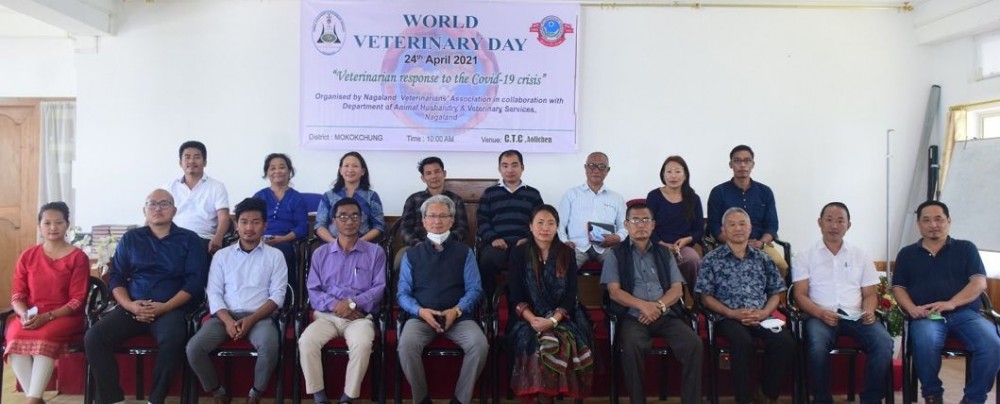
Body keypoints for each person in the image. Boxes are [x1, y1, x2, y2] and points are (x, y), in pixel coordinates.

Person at [85, 189, 208, 404]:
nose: (158, 209)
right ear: (144, 209)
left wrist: (164, 307)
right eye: (152, 204)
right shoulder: (131, 239)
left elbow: (195, 283)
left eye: (164, 204)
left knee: (173, 339)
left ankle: (156, 399)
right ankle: (113, 399)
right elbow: (117, 278)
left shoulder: (190, 240)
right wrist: (130, 305)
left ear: (174, 210)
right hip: (132, 307)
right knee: (94, 337)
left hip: (171, 309)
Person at [892, 200, 1000, 404]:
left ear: (948, 221)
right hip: (926, 315)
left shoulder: (966, 248)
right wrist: (911, 308)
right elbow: (899, 288)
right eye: (926, 220)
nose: (933, 224)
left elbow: (978, 283)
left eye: (938, 219)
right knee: (925, 342)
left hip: (964, 314)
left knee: (992, 344)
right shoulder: (907, 254)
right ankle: (933, 395)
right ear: (918, 224)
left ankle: (973, 399)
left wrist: (952, 303)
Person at [186, 197, 287, 404]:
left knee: (269, 346)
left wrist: (250, 320)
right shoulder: (222, 256)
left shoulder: (275, 256)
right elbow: (213, 294)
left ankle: (255, 394)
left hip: (260, 317)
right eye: (244, 221)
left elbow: (277, 296)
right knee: (193, 349)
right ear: (236, 225)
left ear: (264, 225)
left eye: (256, 222)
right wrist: (228, 321)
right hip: (225, 317)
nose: (249, 227)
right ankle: (217, 392)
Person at [601, 202, 703, 404]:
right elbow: (614, 292)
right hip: (632, 317)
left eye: (645, 220)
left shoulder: (664, 253)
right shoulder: (615, 254)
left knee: (694, 344)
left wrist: (658, 307)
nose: (641, 225)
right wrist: (643, 306)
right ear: (626, 225)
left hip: (665, 314)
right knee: (632, 345)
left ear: (653, 225)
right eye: (635, 220)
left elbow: (677, 289)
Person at [792, 202, 892, 404]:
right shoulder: (805, 255)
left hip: (856, 315)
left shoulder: (860, 254)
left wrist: (869, 311)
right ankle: (822, 400)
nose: (834, 226)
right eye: (829, 220)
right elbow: (800, 295)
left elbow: (870, 294)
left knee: (883, 343)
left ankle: (871, 399)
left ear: (849, 225)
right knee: (817, 347)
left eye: (840, 221)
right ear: (820, 223)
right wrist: (820, 313)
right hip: (820, 316)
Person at [695, 207, 794, 404]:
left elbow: (776, 292)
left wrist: (765, 312)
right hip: (728, 317)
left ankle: (766, 394)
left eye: (742, 224)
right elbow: (705, 298)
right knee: (742, 342)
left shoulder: (763, 258)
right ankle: (744, 398)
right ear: (723, 229)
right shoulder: (711, 259)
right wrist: (731, 313)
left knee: (785, 342)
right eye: (732, 224)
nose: (738, 228)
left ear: (750, 229)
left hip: (762, 315)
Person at [398, 195, 488, 404]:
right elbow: (402, 294)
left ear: (452, 220)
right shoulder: (411, 255)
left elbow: (475, 289)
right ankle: (421, 399)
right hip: (421, 317)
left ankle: (460, 399)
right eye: (432, 216)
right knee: (406, 345)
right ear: (424, 221)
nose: (437, 221)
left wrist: (456, 310)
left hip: (458, 317)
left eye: (443, 216)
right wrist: (420, 311)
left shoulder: (465, 253)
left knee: (479, 345)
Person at [299, 197, 386, 404]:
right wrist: (335, 305)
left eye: (355, 215)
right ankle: (319, 397)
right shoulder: (320, 253)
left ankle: (347, 397)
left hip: (359, 318)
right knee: (306, 341)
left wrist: (352, 304)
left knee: (363, 344)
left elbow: (379, 288)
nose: (349, 220)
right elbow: (313, 290)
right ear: (334, 221)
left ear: (361, 220)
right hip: (326, 317)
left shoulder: (375, 252)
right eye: (343, 216)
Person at [507, 205, 595, 403]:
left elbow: (570, 294)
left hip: (562, 316)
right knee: (536, 347)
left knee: (561, 343)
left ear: (557, 227)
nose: (545, 228)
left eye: (550, 223)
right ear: (530, 226)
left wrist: (553, 321)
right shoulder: (519, 253)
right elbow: (515, 294)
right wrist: (534, 320)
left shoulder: (566, 253)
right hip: (528, 318)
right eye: (540, 222)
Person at [5, 202, 89, 404]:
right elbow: (17, 295)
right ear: (39, 226)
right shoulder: (27, 256)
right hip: (32, 314)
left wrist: (48, 317)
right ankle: (35, 398)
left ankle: (32, 401)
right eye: (47, 223)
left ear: (67, 224)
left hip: (64, 316)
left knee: (45, 337)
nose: (53, 227)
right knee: (14, 336)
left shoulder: (78, 258)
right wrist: (24, 313)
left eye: (59, 222)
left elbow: (78, 300)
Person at [706, 145, 788, 274]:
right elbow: (714, 226)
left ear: (753, 164)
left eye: (747, 161)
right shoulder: (718, 192)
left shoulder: (765, 192)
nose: (742, 165)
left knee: (780, 264)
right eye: (738, 161)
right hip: (729, 245)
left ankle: (774, 294)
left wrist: (761, 243)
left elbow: (772, 225)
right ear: (730, 164)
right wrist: (734, 242)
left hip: (759, 245)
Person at [477, 149, 544, 297]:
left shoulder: (533, 194)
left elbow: (540, 222)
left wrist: (528, 238)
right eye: (505, 165)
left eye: (514, 165)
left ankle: (522, 305)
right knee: (487, 260)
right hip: (496, 243)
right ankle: (489, 304)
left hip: (524, 242)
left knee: (527, 260)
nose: (510, 170)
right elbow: (482, 221)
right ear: (499, 169)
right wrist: (493, 238)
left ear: (522, 167)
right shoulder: (490, 193)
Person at [395, 156, 469, 270]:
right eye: (428, 173)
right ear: (423, 178)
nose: (434, 176)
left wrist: (445, 244)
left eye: (437, 171)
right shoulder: (413, 199)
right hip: (417, 246)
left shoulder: (456, 200)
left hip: (449, 246)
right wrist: (420, 245)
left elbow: (462, 228)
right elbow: (405, 229)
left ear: (444, 173)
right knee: (401, 260)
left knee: (466, 258)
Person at [556, 151, 627, 267]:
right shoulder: (571, 195)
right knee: (563, 269)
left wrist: (618, 237)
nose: (596, 170)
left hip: (606, 247)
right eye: (592, 165)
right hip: (576, 246)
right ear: (585, 168)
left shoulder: (617, 198)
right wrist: (565, 242)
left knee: (621, 268)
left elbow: (624, 226)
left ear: (607, 170)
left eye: (601, 166)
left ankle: (614, 286)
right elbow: (560, 223)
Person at [252, 153, 308, 294]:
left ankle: (284, 303)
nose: (277, 171)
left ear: (289, 171)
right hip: (258, 241)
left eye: (282, 167)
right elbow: (249, 220)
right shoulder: (259, 196)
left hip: (285, 243)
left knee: (281, 253)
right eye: (272, 168)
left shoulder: (296, 198)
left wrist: (282, 239)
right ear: (267, 173)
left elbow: (302, 227)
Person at [646, 155, 704, 286]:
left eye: (678, 171)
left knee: (693, 260)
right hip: (656, 246)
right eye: (669, 172)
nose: (673, 176)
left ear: (685, 175)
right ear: (663, 175)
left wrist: (687, 240)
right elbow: (648, 227)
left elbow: (699, 230)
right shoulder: (654, 196)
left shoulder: (693, 198)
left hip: (682, 248)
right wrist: (662, 244)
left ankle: (699, 301)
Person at [165, 140, 230, 254]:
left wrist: (218, 238)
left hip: (203, 240)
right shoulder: (169, 188)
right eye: (187, 157)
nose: (191, 161)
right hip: (173, 240)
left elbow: (224, 217)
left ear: (205, 162)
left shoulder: (217, 187)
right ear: (180, 162)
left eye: (196, 157)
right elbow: (157, 213)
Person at [315, 151, 385, 244]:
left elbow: (379, 226)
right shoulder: (328, 196)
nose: (350, 169)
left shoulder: (371, 196)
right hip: (332, 245)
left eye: (355, 166)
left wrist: (359, 242)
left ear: (363, 171)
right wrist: (334, 243)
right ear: (340, 170)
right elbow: (319, 225)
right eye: (346, 166)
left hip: (363, 246)